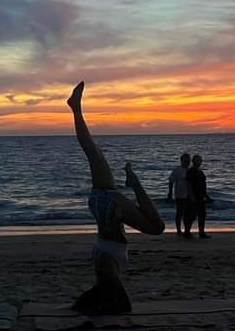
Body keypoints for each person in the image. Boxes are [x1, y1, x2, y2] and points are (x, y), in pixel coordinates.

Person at [68, 81, 165, 314]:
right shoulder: (105, 269)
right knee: (156, 227)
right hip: (105, 206)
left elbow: (120, 304)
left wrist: (91, 305)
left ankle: (75, 108)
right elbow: (124, 306)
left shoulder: (104, 267)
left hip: (106, 204)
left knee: (94, 152)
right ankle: (134, 182)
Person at [184, 154, 212, 239]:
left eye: (200, 160)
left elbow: (203, 185)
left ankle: (201, 232)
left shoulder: (200, 171)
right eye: (197, 160)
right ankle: (187, 232)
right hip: (194, 197)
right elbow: (188, 184)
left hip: (201, 197)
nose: (199, 162)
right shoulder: (191, 171)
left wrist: (207, 196)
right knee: (191, 215)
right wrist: (191, 195)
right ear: (193, 161)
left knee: (202, 215)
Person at [167, 153, 192, 236]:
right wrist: (170, 193)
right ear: (182, 160)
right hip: (180, 195)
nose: (188, 162)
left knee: (188, 213)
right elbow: (171, 181)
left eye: (189, 160)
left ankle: (187, 230)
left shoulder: (190, 170)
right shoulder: (177, 170)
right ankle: (178, 230)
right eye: (186, 160)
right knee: (179, 213)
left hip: (190, 195)